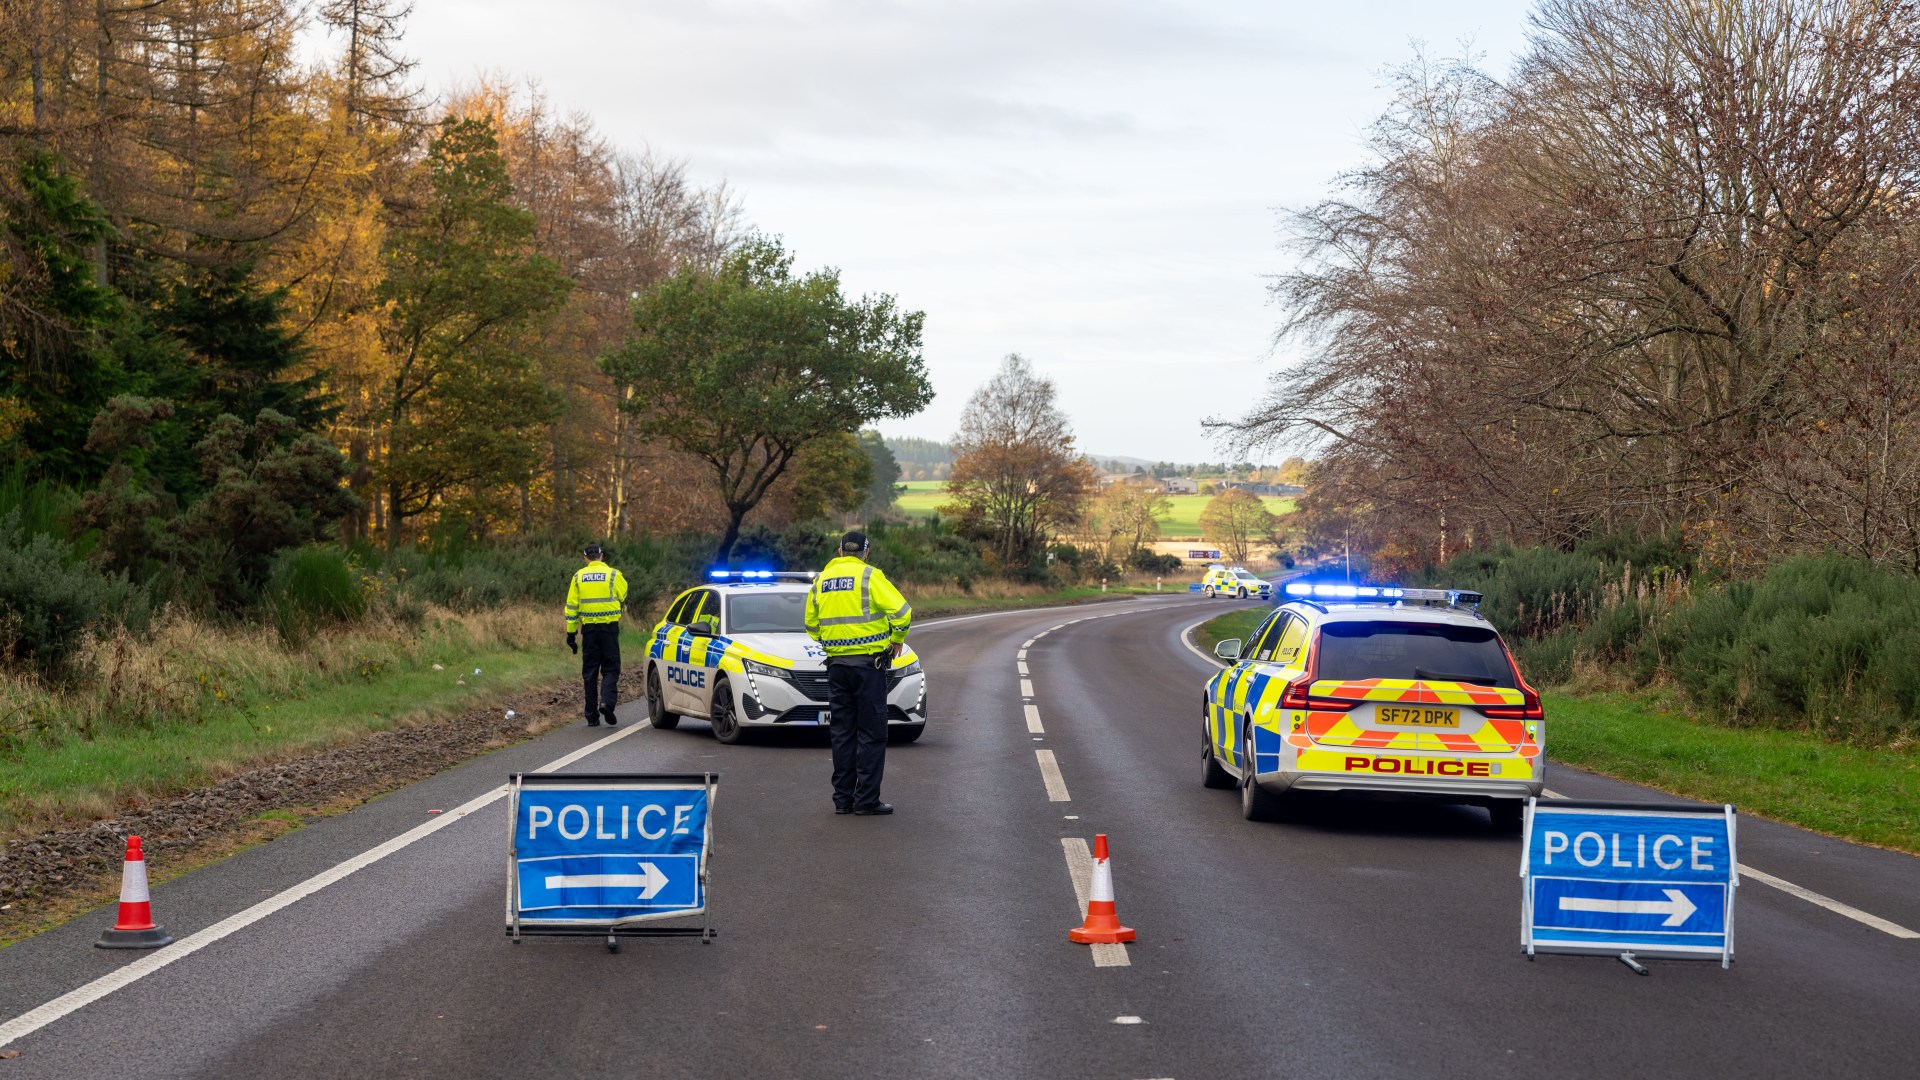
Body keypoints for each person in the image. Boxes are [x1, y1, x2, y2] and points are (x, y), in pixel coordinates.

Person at [805, 530, 912, 816]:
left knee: (841, 733)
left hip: (837, 666)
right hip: (868, 667)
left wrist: (833, 641)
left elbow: (811, 624)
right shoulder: (870, 576)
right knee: (872, 733)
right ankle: (866, 801)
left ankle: (842, 800)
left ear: (839, 551)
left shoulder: (821, 580)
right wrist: (897, 639)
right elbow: (903, 612)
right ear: (866, 552)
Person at [565, 542, 629, 727]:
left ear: (585, 558)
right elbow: (623, 595)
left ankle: (591, 716)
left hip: (589, 631)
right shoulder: (614, 574)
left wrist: (571, 634)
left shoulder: (578, 577)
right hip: (609, 629)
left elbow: (571, 608)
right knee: (611, 668)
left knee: (590, 672)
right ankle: (607, 703)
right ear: (601, 556)